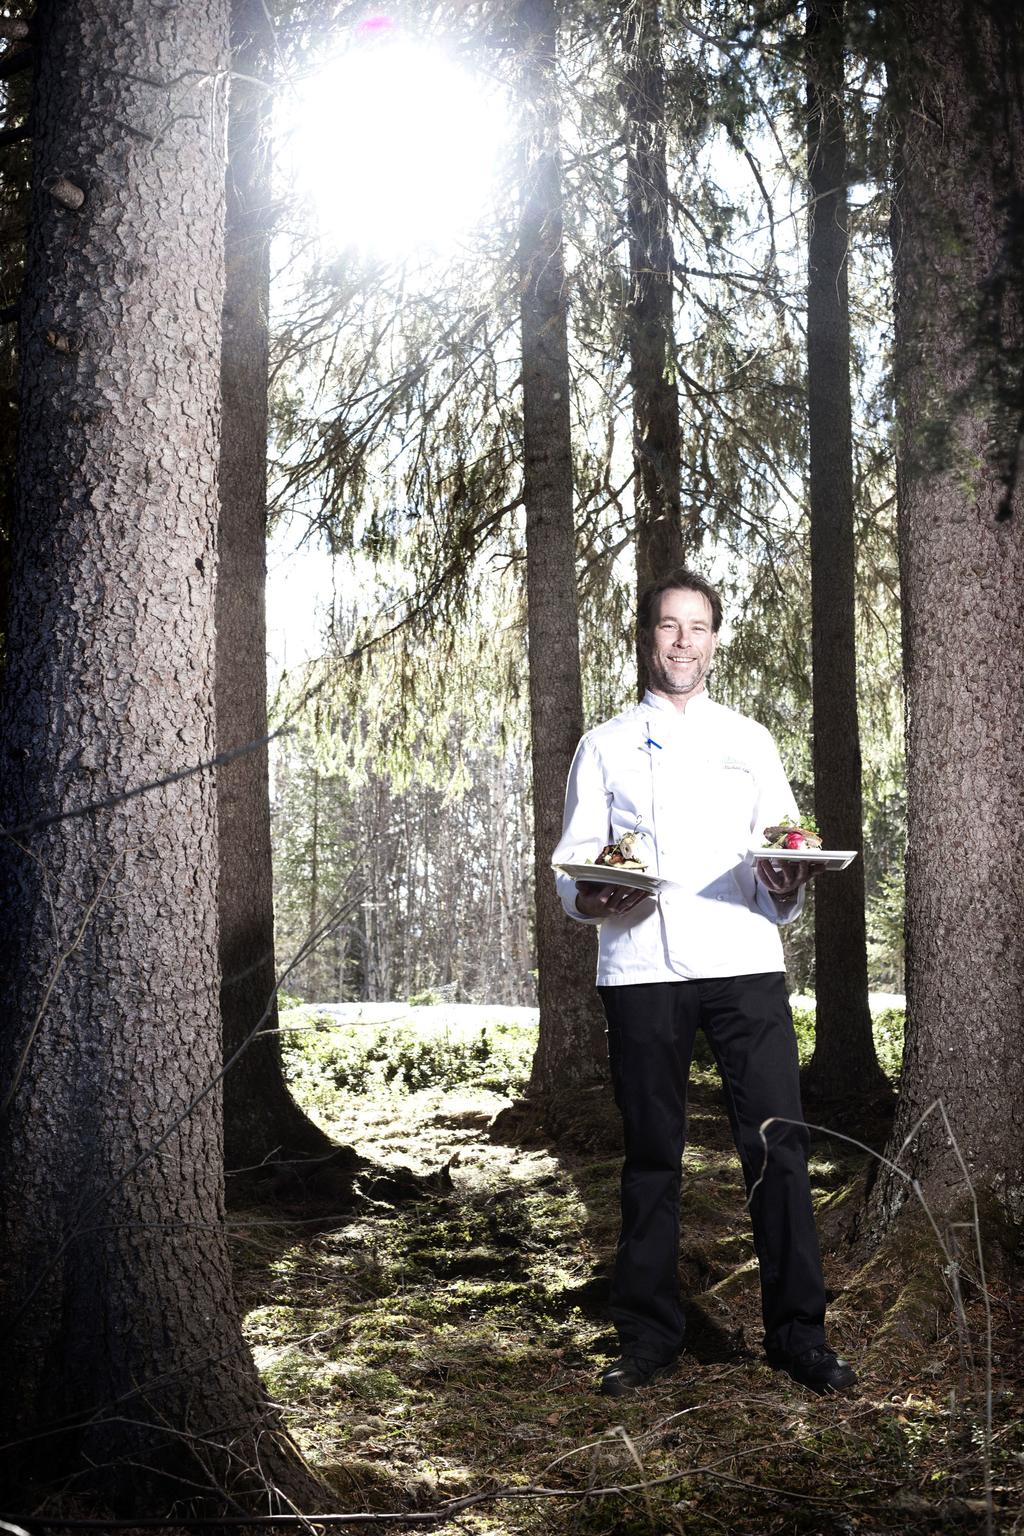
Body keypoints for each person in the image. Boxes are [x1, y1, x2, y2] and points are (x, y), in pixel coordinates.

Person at [552, 568, 856, 1398]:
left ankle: (799, 1335)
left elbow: (781, 847)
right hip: (643, 968)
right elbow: (572, 865)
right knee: (652, 1156)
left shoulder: (749, 739)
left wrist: (786, 884)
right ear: (647, 636)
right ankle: (648, 1337)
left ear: (716, 639)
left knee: (778, 1149)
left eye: (698, 627)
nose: (683, 641)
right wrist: (591, 894)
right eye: (668, 626)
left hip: (747, 964)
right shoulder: (607, 742)